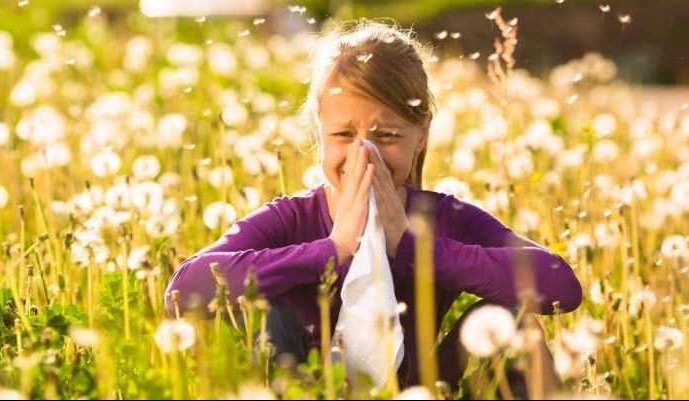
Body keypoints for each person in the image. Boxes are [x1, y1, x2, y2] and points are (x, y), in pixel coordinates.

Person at [165, 19, 582, 396]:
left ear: (421, 136)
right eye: (344, 134)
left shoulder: (443, 218)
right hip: (304, 388)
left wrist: (415, 247)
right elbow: (183, 292)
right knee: (263, 313)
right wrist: (332, 249)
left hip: (421, 391)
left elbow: (561, 285)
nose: (364, 154)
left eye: (386, 136)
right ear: (320, 133)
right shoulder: (292, 218)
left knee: (513, 321)